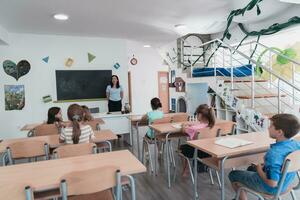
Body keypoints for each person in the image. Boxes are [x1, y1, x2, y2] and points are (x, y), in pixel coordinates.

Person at [229, 113, 300, 200]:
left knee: (233, 174)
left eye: (271, 126)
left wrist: (259, 168)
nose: (268, 128)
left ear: (279, 132)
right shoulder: (297, 145)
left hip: (272, 188)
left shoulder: (273, 154)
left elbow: (272, 183)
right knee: (251, 169)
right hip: (286, 183)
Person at [179, 104, 216, 174]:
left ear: (200, 115)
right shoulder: (212, 127)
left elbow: (183, 130)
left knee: (181, 148)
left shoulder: (194, 128)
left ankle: (185, 169)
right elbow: (199, 127)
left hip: (197, 152)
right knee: (188, 147)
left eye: (196, 114)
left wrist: (183, 125)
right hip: (209, 152)